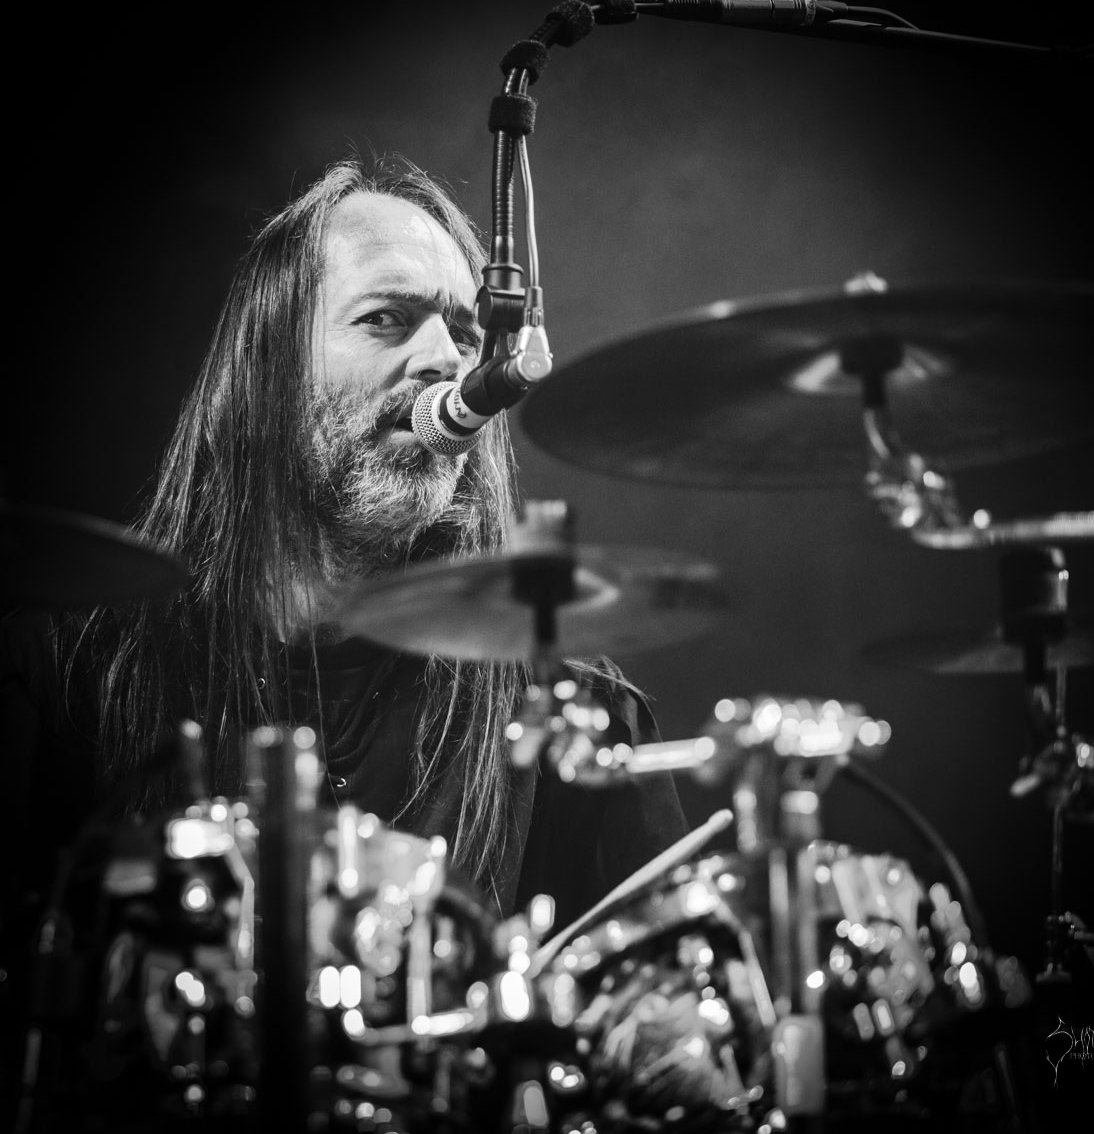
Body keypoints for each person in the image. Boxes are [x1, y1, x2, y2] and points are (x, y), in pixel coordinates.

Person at [0, 152, 689, 1124]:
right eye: (387, 319)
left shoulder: (573, 720)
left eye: (464, 331)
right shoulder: (66, 677)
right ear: (265, 376)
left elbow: (668, 1059)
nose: (447, 361)